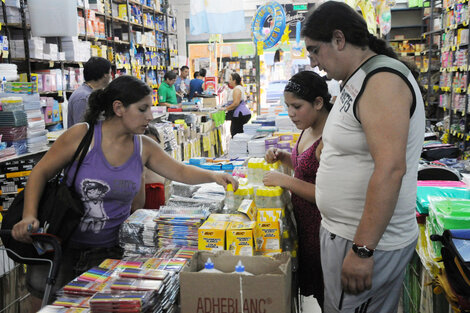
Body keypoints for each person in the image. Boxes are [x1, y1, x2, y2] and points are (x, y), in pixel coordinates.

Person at [11, 75, 238, 311]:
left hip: (109, 254)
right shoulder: (82, 136)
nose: (150, 116)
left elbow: (179, 171)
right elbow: (39, 173)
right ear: (118, 108)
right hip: (62, 248)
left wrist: (214, 176)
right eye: (142, 109)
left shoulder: (143, 146)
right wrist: (29, 215)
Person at [302, 2, 425, 312]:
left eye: (315, 51)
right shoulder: (358, 77)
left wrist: (362, 250)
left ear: (339, 39)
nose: (314, 63)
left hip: (365, 241)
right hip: (345, 233)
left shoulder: (382, 81)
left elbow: (391, 169)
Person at [263, 71, 331, 309]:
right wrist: (283, 157)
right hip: (304, 225)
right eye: (287, 106)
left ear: (319, 102)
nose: (290, 113)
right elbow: (306, 169)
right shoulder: (309, 127)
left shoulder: (330, 138)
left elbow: (326, 194)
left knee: (328, 294)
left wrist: (285, 181)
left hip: (321, 229)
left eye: (297, 106)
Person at [67, 57, 112, 127]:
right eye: (110, 72)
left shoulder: (93, 93)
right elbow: (81, 129)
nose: (111, 76)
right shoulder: (83, 97)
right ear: (105, 75)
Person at [224, 73, 251, 137]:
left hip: (240, 114)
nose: (229, 81)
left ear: (234, 81)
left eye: (230, 79)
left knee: (236, 134)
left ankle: (239, 147)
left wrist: (226, 108)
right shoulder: (237, 88)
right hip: (240, 114)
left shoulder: (237, 89)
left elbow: (236, 103)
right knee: (236, 133)